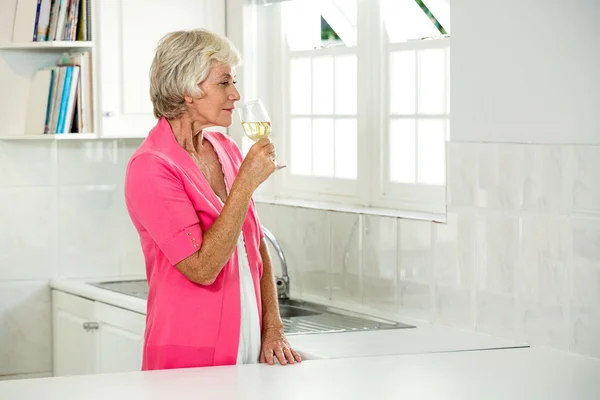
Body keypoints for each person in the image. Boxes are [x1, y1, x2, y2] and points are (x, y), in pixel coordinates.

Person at [124, 29, 302, 370]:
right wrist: (245, 185)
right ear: (187, 90)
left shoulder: (226, 148)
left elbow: (255, 245)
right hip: (190, 348)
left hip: (250, 343)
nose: (235, 94)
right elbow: (202, 269)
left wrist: (274, 329)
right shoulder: (151, 167)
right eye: (224, 82)